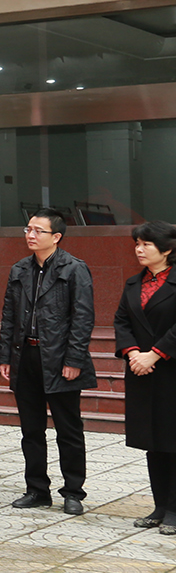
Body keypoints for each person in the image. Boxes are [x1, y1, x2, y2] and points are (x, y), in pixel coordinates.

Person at [0, 213, 95, 515]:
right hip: (26, 356)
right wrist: (5, 357)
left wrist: (74, 359)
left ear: (56, 237)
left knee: (68, 429)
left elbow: (83, 318)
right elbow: (9, 317)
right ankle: (37, 489)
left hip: (60, 359)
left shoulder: (74, 269)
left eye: (39, 230)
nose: (31, 234)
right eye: (28, 229)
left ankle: (73, 491)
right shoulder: (19, 270)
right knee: (31, 429)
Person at [116, 221, 176, 537]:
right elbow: (121, 321)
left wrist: (155, 354)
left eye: (146, 244)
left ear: (166, 249)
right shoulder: (132, 284)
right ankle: (159, 506)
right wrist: (133, 353)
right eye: (137, 244)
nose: (139, 249)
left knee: (173, 441)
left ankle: (175, 510)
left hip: (169, 371)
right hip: (141, 372)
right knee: (153, 442)